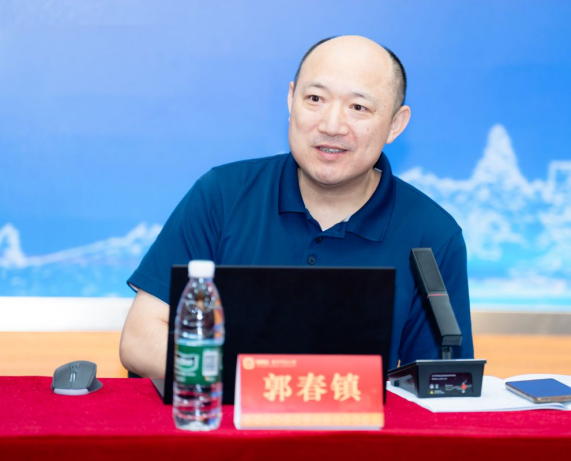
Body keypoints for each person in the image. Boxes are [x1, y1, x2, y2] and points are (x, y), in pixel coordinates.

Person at [119, 35, 474, 378]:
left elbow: (441, 382)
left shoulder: (433, 234)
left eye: (358, 107)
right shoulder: (223, 194)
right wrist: (262, 382)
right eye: (315, 98)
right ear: (291, 100)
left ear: (395, 124)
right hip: (223, 418)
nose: (332, 125)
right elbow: (140, 340)